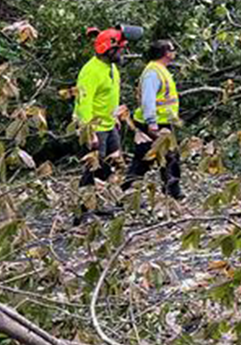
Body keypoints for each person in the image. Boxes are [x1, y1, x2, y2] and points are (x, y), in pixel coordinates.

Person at [73, 25, 142, 214]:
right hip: (95, 127)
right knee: (93, 168)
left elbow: (110, 95)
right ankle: (82, 211)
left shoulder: (111, 68)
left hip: (109, 124)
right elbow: (83, 103)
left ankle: (103, 202)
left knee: (112, 164)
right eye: (120, 49)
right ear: (108, 49)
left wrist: (115, 114)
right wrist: (89, 131)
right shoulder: (91, 71)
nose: (123, 53)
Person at [122, 38, 182, 200]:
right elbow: (148, 100)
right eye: (172, 49)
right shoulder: (153, 72)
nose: (174, 52)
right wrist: (151, 122)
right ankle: (127, 191)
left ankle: (172, 190)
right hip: (152, 124)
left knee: (171, 157)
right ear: (165, 53)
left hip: (163, 122)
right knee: (144, 159)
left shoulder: (161, 70)